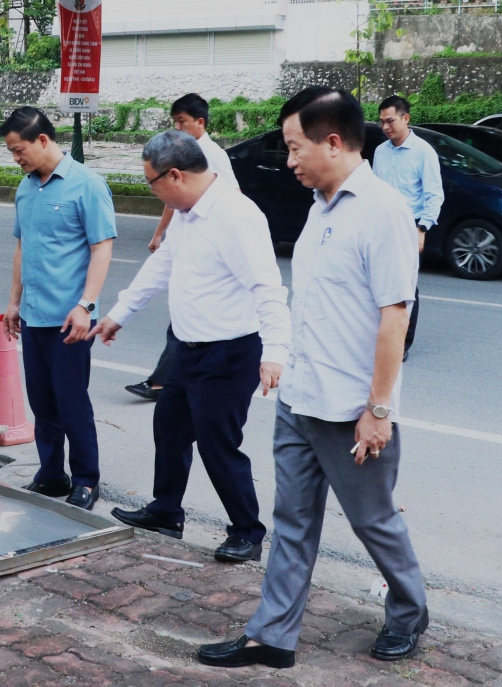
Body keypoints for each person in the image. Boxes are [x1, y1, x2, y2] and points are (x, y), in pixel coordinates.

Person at [198, 87, 428, 669]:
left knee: (373, 522)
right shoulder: (321, 207)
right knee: (292, 523)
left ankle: (408, 612)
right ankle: (272, 636)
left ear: (333, 141)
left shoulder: (384, 211)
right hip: (300, 399)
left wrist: (378, 409)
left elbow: (394, 316)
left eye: (297, 148)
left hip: (350, 410)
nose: (290, 161)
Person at [90, 130, 290, 563]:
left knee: (218, 445)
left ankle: (247, 532)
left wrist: (275, 351)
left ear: (175, 176)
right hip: (188, 348)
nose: (152, 191)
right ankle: (166, 512)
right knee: (171, 429)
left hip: (229, 351)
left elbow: (268, 286)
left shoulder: (236, 215)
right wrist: (120, 313)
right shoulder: (188, 212)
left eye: (151, 183)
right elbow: (161, 264)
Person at [0, 106, 116, 511]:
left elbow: (102, 246)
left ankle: (86, 479)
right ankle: (51, 473)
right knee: (42, 402)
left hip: (72, 319)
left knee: (71, 402)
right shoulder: (26, 187)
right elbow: (22, 245)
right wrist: (14, 302)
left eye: (19, 150)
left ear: (43, 140)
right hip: (33, 315)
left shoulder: (87, 184)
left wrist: (86, 305)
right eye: (11, 152)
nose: (16, 158)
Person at [125, 93, 241, 402]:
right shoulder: (184, 152)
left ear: (200, 122)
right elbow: (175, 198)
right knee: (181, 311)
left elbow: (235, 194)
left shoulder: (210, 155)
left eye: (182, 122)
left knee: (185, 316)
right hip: (186, 234)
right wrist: (162, 232)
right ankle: (167, 382)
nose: (177, 127)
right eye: (174, 122)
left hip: (207, 241)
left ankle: (165, 382)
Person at [374, 95, 443, 361]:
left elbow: (434, 194)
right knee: (377, 282)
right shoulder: (381, 152)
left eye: (390, 121)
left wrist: (422, 228)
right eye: (381, 123)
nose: (385, 127)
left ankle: (401, 343)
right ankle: (379, 336)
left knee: (404, 288)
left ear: (406, 118)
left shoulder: (423, 151)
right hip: (381, 224)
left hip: (409, 225)